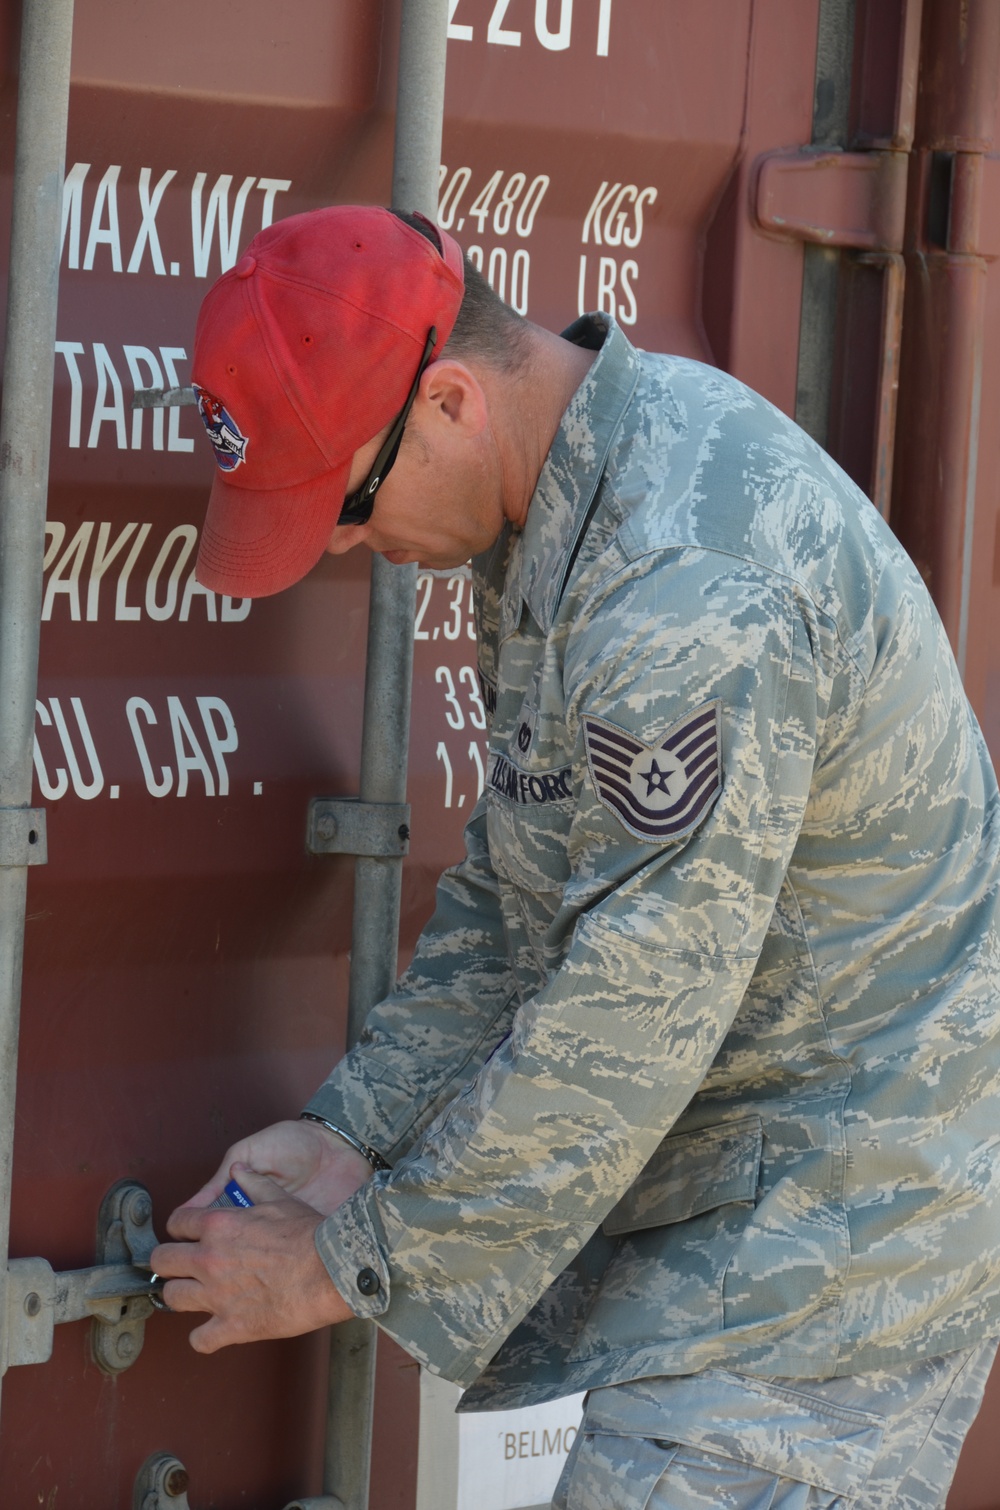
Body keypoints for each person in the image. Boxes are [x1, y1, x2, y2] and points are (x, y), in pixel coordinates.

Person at [152, 204, 1000, 1509]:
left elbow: (633, 1006)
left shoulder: (681, 576)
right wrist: (353, 1133)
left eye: (351, 504)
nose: (344, 547)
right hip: (735, 1221)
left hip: (832, 1253)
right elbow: (515, 898)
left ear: (447, 401)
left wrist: (342, 1262)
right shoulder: (567, 512)